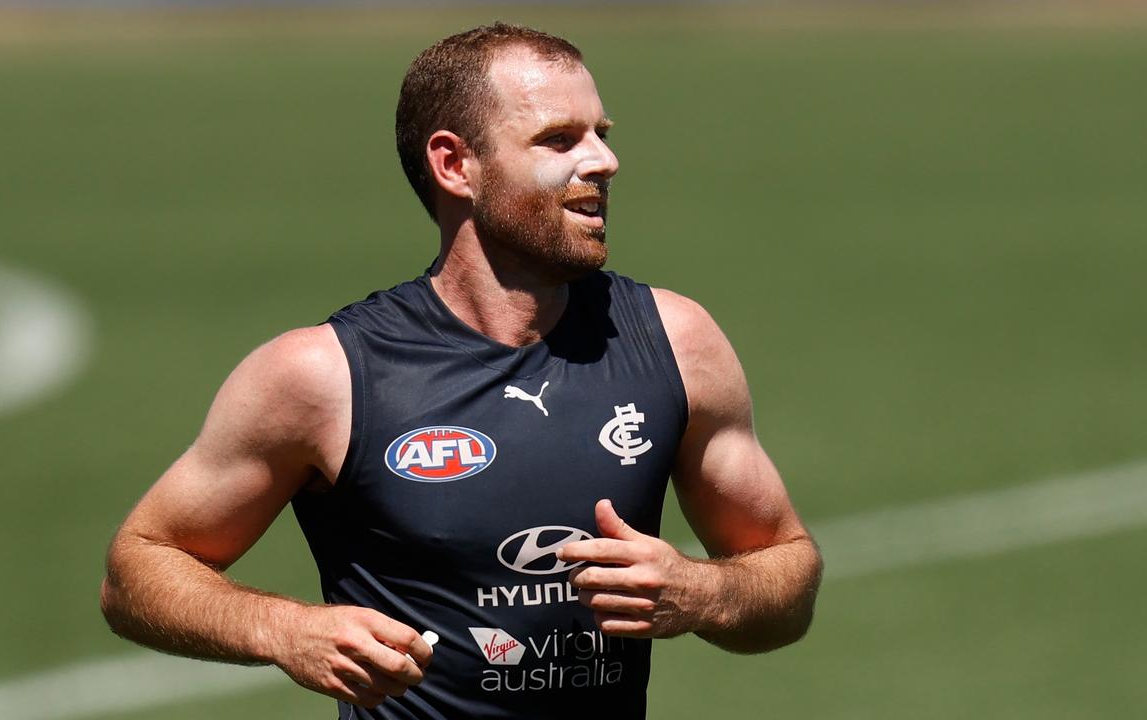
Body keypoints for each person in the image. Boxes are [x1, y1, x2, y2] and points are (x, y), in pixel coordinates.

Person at [101, 22, 822, 720]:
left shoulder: (675, 342)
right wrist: (284, 630)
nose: (603, 161)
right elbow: (137, 570)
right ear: (455, 165)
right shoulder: (325, 377)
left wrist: (704, 594)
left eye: (603, 134)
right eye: (559, 139)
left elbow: (787, 576)